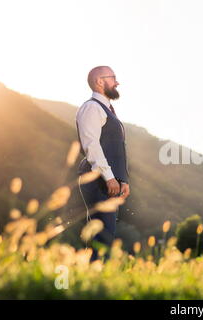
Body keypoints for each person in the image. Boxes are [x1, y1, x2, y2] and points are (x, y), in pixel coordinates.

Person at [76, 66, 130, 261]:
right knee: (102, 235)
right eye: (113, 77)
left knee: (106, 234)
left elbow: (116, 150)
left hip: (109, 180)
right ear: (100, 81)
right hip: (98, 179)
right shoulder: (91, 107)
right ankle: (93, 283)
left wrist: (122, 180)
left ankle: (96, 279)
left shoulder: (106, 109)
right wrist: (109, 178)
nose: (117, 82)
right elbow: (92, 145)